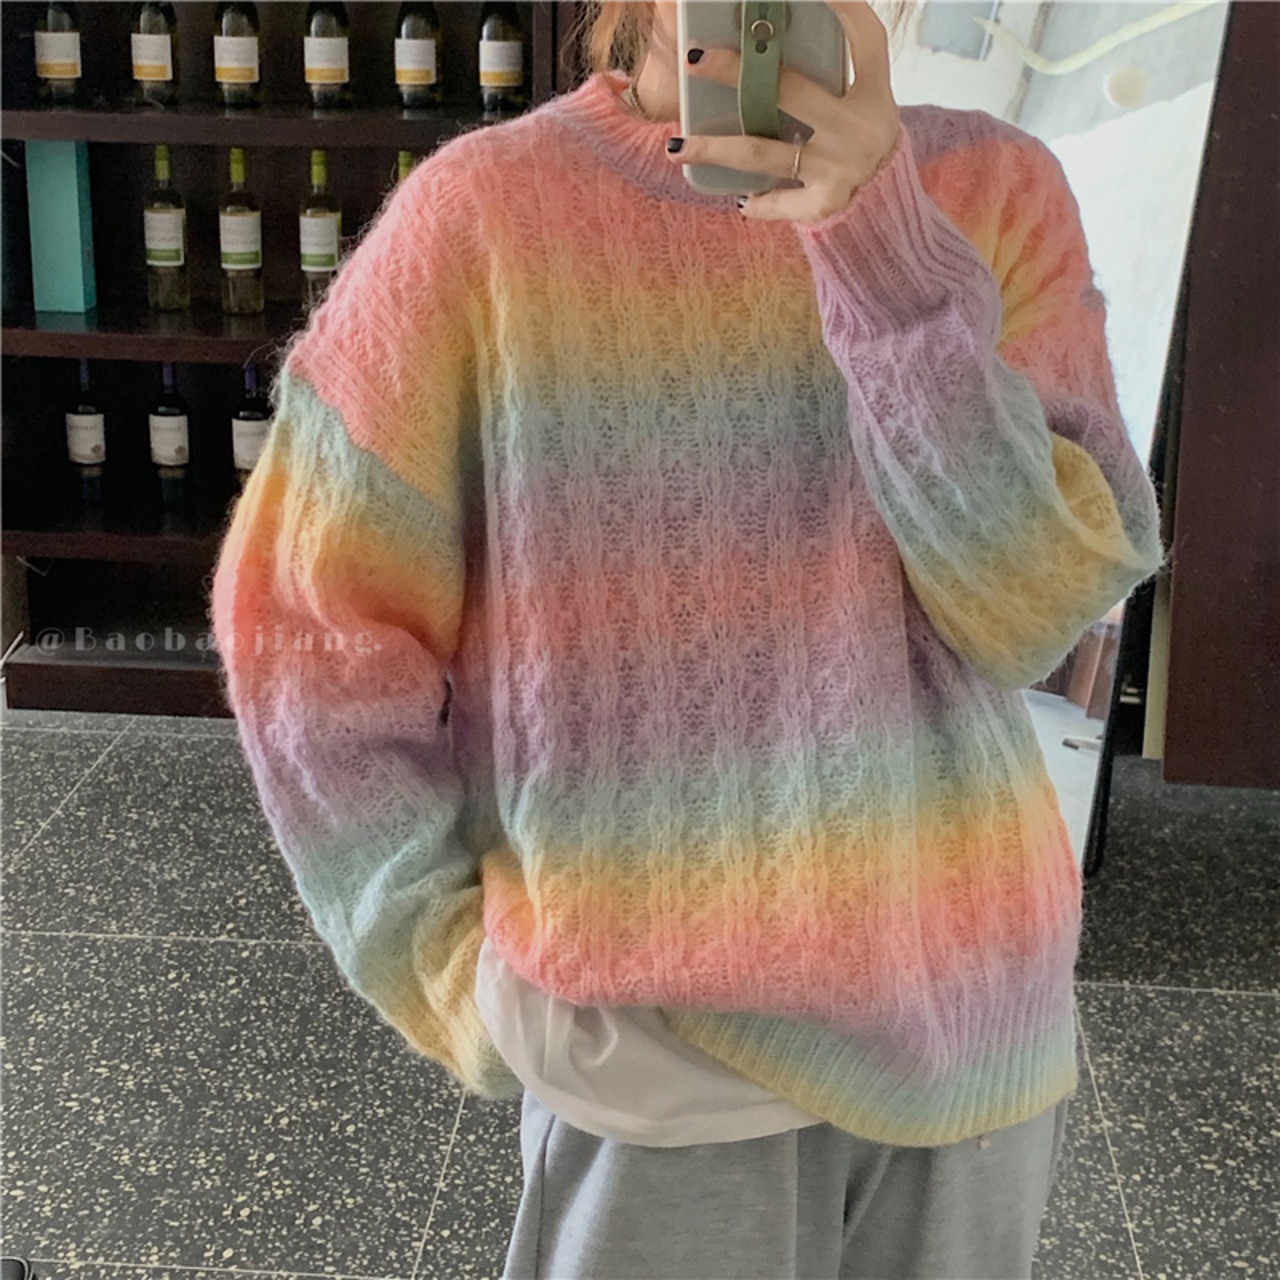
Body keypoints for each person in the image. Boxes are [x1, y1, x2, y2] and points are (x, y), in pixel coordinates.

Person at [209, 1, 1167, 1276]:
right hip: (653, 1060)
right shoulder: (483, 217)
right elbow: (308, 625)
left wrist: (881, 243)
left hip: (973, 1029)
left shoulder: (993, 190)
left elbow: (1033, 612)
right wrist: (444, 962)